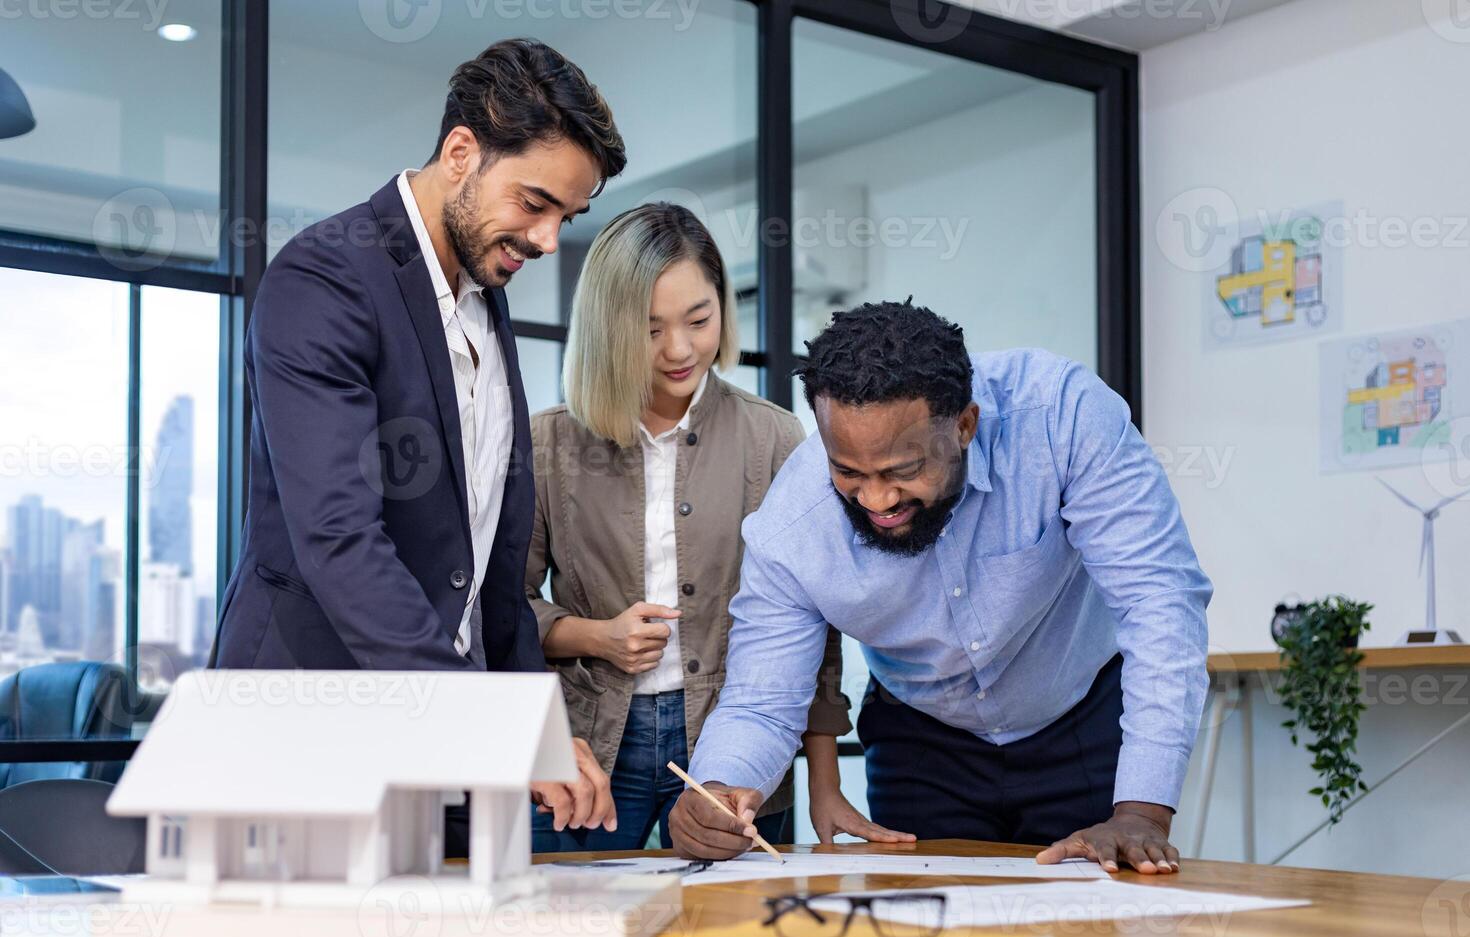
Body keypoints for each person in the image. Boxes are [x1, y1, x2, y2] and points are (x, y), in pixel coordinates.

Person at [211, 39, 627, 842]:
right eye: (535, 203)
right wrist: (495, 732)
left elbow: (487, 568)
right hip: (307, 721)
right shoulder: (325, 278)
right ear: (461, 152)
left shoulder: (484, 292)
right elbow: (339, 538)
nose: (547, 241)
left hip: (437, 738)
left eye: (566, 219)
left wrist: (532, 729)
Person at [671, 299, 1213, 874]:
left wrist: (1143, 813)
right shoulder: (791, 527)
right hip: (921, 744)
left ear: (965, 425)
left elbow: (1158, 600)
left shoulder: (1060, 417)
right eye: (848, 472)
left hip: (1080, 718)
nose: (876, 500)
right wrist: (716, 790)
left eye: (903, 471)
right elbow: (763, 701)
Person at [524, 204, 912, 850]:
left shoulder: (776, 438)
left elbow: (814, 626)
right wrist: (595, 635)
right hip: (591, 744)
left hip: (737, 742)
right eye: (649, 329)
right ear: (606, 329)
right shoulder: (549, 443)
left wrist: (822, 782)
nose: (679, 350)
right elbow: (505, 609)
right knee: (573, 930)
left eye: (699, 320)